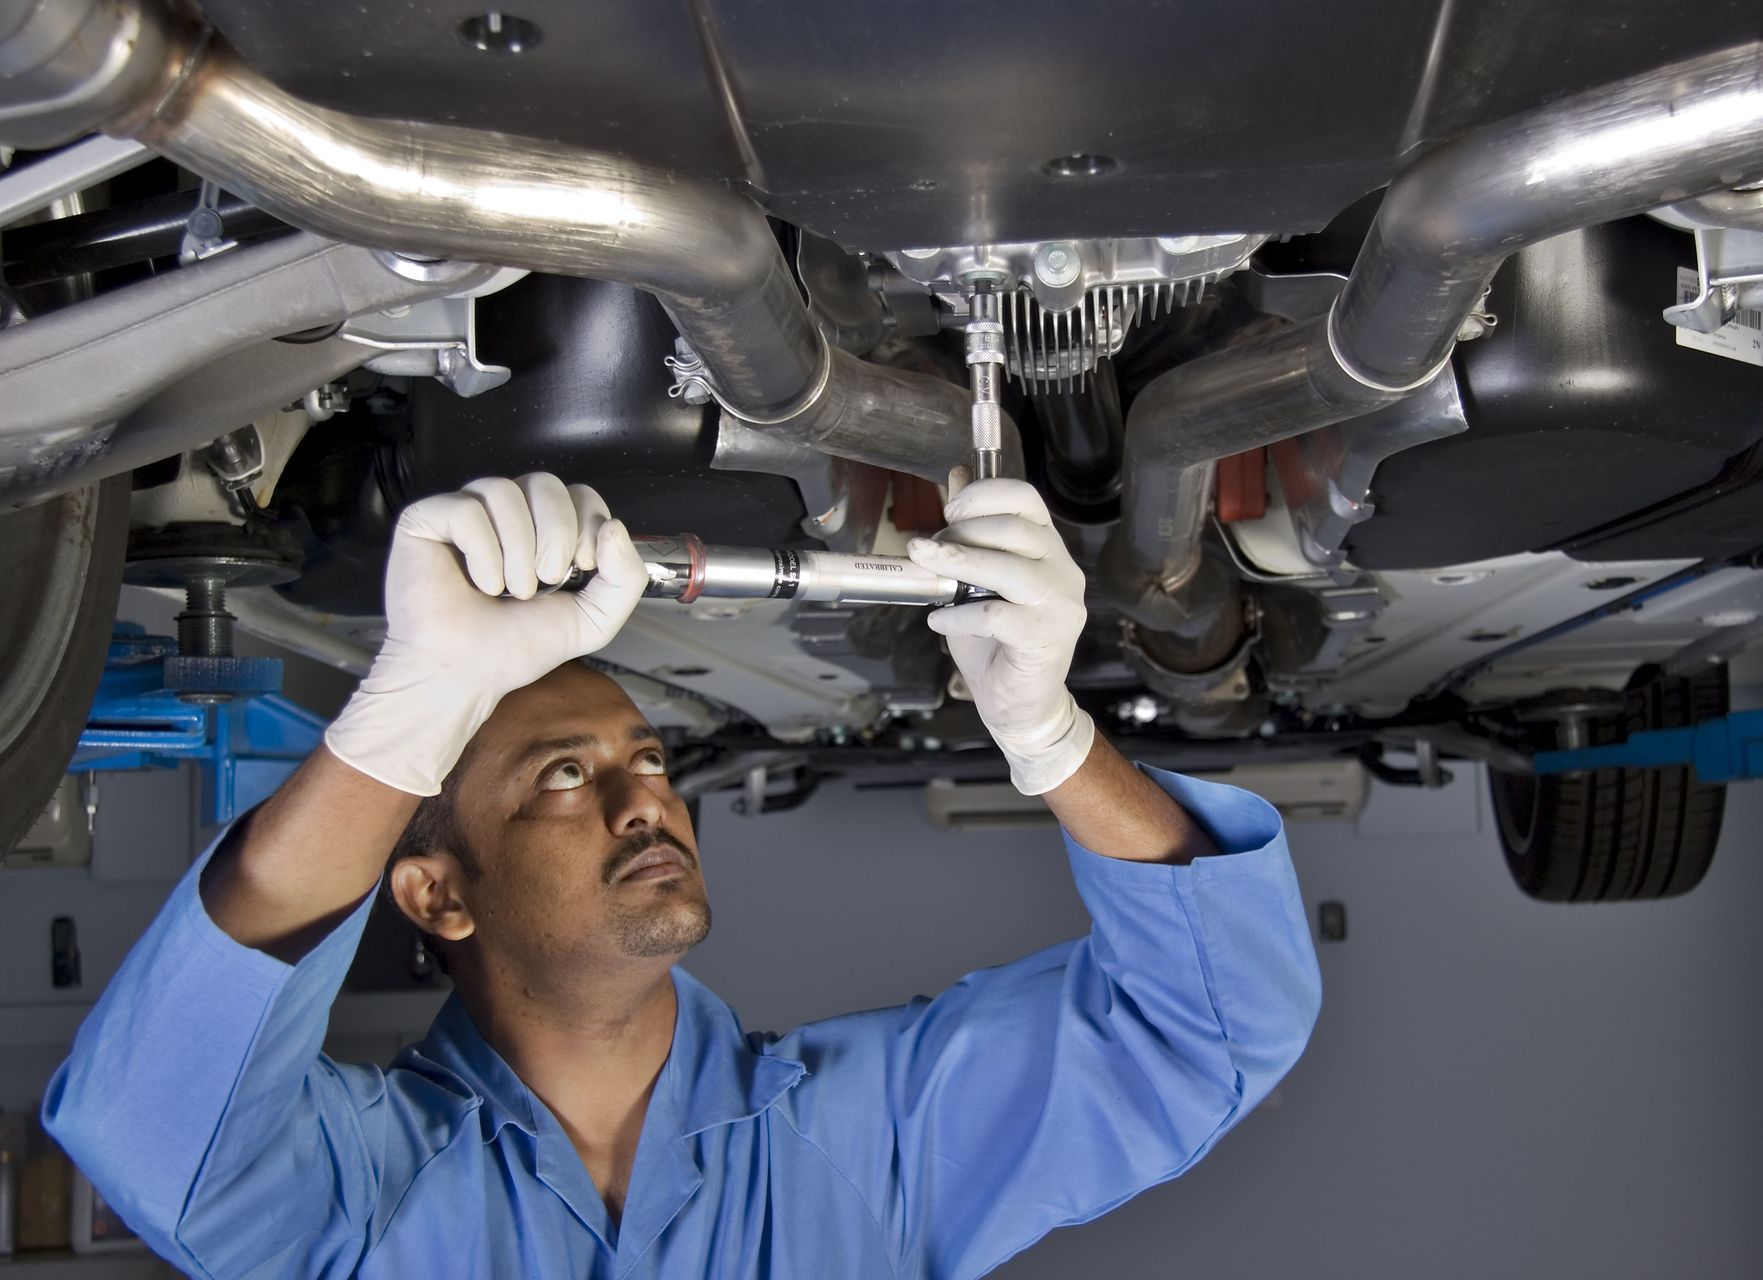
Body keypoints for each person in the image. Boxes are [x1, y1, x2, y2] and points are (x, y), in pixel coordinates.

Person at [43, 473, 1320, 1279]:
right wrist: (402, 716)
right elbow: (149, 1127)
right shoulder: (863, 1163)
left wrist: (1052, 733)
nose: (644, 791)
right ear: (436, 891)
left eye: (646, 754)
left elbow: (1211, 1029)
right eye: (560, 772)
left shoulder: (858, 1134)